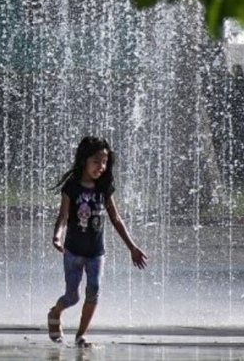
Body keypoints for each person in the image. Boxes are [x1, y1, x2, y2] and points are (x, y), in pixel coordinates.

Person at [47, 136, 148, 347]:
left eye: (104, 162)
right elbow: (63, 216)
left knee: (94, 291)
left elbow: (116, 218)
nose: (101, 166)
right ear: (84, 159)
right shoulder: (72, 187)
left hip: (96, 252)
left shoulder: (104, 187)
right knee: (72, 297)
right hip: (73, 251)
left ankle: (80, 335)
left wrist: (132, 247)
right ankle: (55, 312)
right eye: (96, 161)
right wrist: (57, 236)